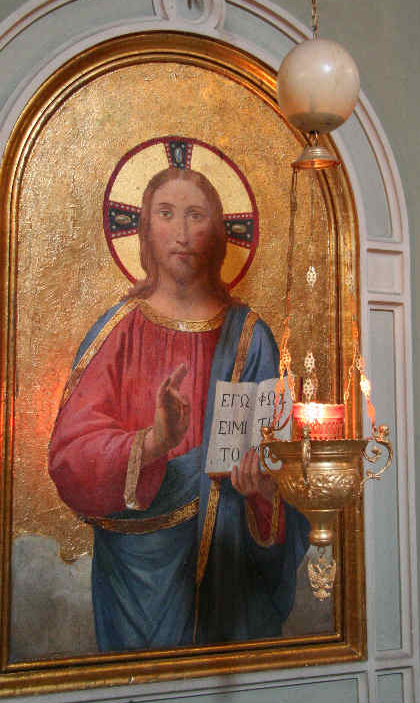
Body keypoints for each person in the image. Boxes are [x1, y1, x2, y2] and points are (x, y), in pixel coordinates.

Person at [48, 167, 309, 653]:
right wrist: (155, 442)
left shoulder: (251, 338)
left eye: (197, 215)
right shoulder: (118, 331)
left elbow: (281, 464)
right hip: (134, 580)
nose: (183, 233)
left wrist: (262, 492)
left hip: (229, 574)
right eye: (166, 214)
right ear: (145, 229)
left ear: (219, 232)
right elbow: (70, 458)